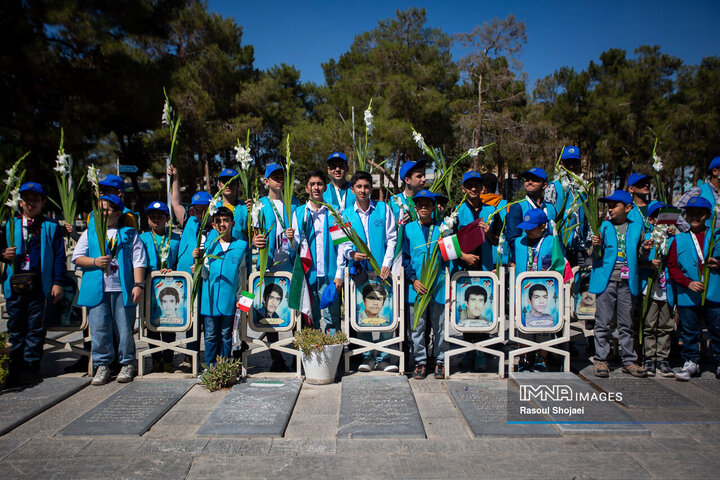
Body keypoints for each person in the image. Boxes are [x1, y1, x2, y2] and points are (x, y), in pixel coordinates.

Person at [73, 194, 146, 385]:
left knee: (124, 329)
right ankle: (102, 364)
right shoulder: (91, 233)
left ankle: (127, 362)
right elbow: (77, 257)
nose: (104, 213)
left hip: (122, 289)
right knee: (99, 329)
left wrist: (138, 285)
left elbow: (138, 261)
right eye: (101, 210)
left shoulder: (129, 234)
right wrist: (95, 261)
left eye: (108, 209)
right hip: (97, 290)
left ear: (118, 212)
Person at [1, 182, 66, 386]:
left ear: (43, 202)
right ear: (20, 203)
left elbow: (59, 257)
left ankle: (31, 366)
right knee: (16, 327)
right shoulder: (9, 225)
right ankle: (15, 367)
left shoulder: (50, 226)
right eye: (27, 200)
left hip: (40, 284)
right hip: (16, 284)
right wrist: (3, 255)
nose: (31, 204)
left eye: (35, 199)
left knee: (36, 328)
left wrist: (58, 282)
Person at [336, 171, 398, 372]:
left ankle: (384, 357)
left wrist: (387, 263)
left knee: (385, 312)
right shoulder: (342, 214)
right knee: (361, 313)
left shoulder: (383, 209)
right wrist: (352, 253)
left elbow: (392, 239)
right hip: (359, 272)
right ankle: (366, 357)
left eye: (366, 186)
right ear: (352, 189)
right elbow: (340, 244)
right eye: (359, 187)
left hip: (382, 273)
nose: (363, 190)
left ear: (372, 188)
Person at [588, 190, 650, 378]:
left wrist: (645, 249)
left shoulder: (636, 227)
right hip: (607, 281)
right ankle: (601, 359)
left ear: (628, 208)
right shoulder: (604, 226)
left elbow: (639, 255)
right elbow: (594, 255)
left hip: (627, 281)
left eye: (615, 205)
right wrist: (595, 246)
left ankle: (629, 360)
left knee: (626, 323)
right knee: (603, 322)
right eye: (609, 205)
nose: (610, 208)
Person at [666, 196, 720, 380]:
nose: (695, 216)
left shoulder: (717, 237)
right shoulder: (678, 239)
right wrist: (687, 282)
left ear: (707, 215)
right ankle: (691, 361)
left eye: (699, 213)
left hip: (713, 293)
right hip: (688, 294)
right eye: (691, 213)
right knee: (689, 331)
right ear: (686, 216)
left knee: (717, 329)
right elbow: (672, 267)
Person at [251, 163, 298, 371]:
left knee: (294, 310)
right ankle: (276, 356)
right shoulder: (259, 204)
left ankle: (298, 354)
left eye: (282, 177)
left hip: (290, 263)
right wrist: (256, 241)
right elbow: (252, 234)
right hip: (267, 264)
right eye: (274, 177)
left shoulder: (294, 203)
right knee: (270, 312)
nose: (279, 180)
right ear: (266, 181)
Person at [402, 190, 449, 379]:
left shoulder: (443, 229)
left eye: (427, 205)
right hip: (417, 288)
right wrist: (413, 279)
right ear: (415, 208)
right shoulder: (408, 229)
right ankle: (420, 361)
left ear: (433, 208)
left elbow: (449, 257)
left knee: (440, 326)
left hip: (438, 285)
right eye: (420, 205)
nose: (424, 208)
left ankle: (440, 360)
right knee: (417, 326)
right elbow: (404, 259)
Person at [511, 208, 565, 372]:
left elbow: (560, 264)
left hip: (545, 293)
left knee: (543, 325)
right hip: (523, 292)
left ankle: (542, 357)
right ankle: (524, 356)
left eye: (531, 227)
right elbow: (512, 262)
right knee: (523, 326)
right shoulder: (519, 242)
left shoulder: (552, 242)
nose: (527, 230)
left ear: (543, 226)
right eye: (525, 226)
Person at [195, 206, 248, 366]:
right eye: (218, 221)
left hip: (230, 301)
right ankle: (210, 366)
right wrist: (198, 265)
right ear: (213, 225)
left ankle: (225, 366)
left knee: (227, 334)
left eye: (225, 221)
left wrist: (242, 300)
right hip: (209, 301)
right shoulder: (209, 246)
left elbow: (242, 275)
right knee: (210, 335)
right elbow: (205, 274)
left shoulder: (241, 246)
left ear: (232, 223)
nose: (222, 224)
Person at [291, 171, 341, 333]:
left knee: (332, 318)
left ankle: (334, 356)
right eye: (312, 184)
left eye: (319, 184)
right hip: (308, 274)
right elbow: (294, 247)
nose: (316, 187)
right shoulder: (299, 213)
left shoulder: (333, 212)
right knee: (311, 319)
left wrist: (339, 274)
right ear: (306, 188)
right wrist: (290, 239)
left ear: (325, 187)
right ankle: (313, 355)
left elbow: (341, 245)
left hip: (329, 275)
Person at [139, 201, 180, 373]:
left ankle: (169, 358)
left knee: (169, 324)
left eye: (160, 217)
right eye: (153, 217)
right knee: (152, 324)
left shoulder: (176, 239)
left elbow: (181, 260)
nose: (156, 220)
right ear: (148, 219)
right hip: (150, 288)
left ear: (167, 219)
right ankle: (156, 358)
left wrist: (174, 270)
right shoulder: (142, 238)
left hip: (170, 288)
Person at [641, 201, 676, 377]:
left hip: (666, 287)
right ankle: (649, 357)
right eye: (660, 219)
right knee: (649, 324)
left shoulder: (673, 239)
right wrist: (648, 262)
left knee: (666, 325)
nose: (664, 224)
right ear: (652, 220)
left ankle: (663, 357)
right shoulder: (648, 237)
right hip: (650, 288)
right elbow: (638, 258)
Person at [545, 146, 588, 267]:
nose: (571, 167)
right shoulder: (554, 186)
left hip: (580, 245)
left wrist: (588, 242)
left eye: (575, 163)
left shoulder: (582, 188)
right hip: (560, 244)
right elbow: (550, 216)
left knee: (579, 281)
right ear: (562, 164)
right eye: (568, 163)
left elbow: (587, 217)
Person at [505, 167, 557, 247]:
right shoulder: (518, 207)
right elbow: (513, 238)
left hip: (546, 255)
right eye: (527, 179)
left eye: (534, 180)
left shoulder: (550, 207)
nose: (529, 182)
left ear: (544, 185)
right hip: (526, 254)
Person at [675, 156, 720, 231]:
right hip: (705, 241)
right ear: (715, 171)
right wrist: (690, 231)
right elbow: (675, 213)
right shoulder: (698, 191)